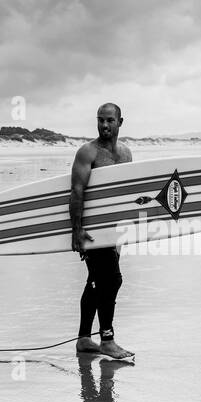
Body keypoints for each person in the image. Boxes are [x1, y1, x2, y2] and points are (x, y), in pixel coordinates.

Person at [71, 102, 133, 360]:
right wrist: (77, 230)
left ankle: (84, 338)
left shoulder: (127, 154)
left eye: (109, 120)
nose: (104, 125)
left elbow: (125, 195)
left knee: (95, 283)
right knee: (112, 280)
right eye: (100, 120)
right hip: (90, 230)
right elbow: (77, 191)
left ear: (120, 122)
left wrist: (124, 233)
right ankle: (107, 340)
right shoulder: (88, 153)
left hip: (113, 230)